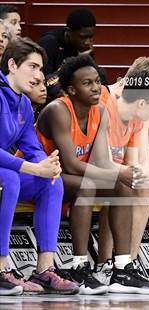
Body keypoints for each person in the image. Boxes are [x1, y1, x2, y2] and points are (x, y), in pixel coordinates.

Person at [36, 55, 149, 295]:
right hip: (42, 174)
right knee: (89, 187)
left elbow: (104, 161)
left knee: (123, 189)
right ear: (71, 89)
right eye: (87, 83)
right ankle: (79, 265)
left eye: (96, 81)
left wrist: (125, 174)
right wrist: (118, 174)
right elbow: (71, 164)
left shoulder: (101, 111)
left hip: (72, 176)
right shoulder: (58, 110)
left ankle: (122, 268)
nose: (95, 87)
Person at [0, 37, 77, 295]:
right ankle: (1, 269)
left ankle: (44, 270)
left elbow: (32, 147)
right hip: (4, 176)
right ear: (12, 64)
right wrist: (32, 168)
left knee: (51, 183)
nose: (38, 75)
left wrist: (47, 165)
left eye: (41, 68)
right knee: (9, 178)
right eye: (32, 67)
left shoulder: (22, 103)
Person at [38, 8, 96, 76]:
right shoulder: (49, 43)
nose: (87, 42)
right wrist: (76, 62)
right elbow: (47, 82)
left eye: (90, 37)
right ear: (69, 32)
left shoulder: (84, 48)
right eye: (82, 37)